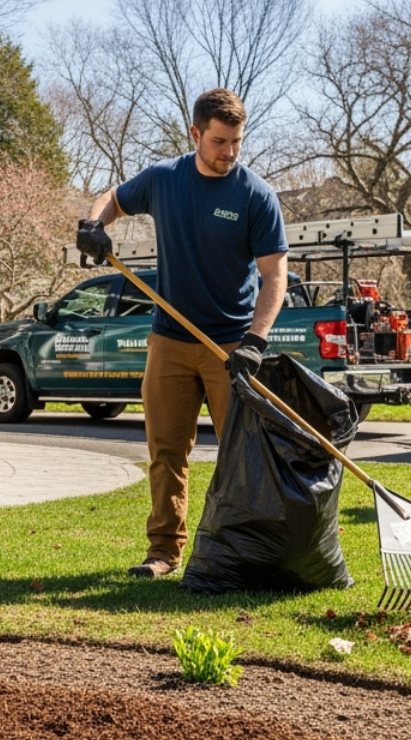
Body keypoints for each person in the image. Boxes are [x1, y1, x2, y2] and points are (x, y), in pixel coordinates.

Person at [76, 88, 289, 578]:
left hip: (231, 345)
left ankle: (243, 552)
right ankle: (164, 552)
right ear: (195, 133)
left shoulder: (255, 195)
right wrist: (93, 224)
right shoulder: (164, 180)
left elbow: (274, 274)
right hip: (170, 339)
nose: (229, 152)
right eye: (219, 141)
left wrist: (255, 341)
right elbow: (113, 199)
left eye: (236, 141)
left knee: (243, 455)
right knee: (166, 450)